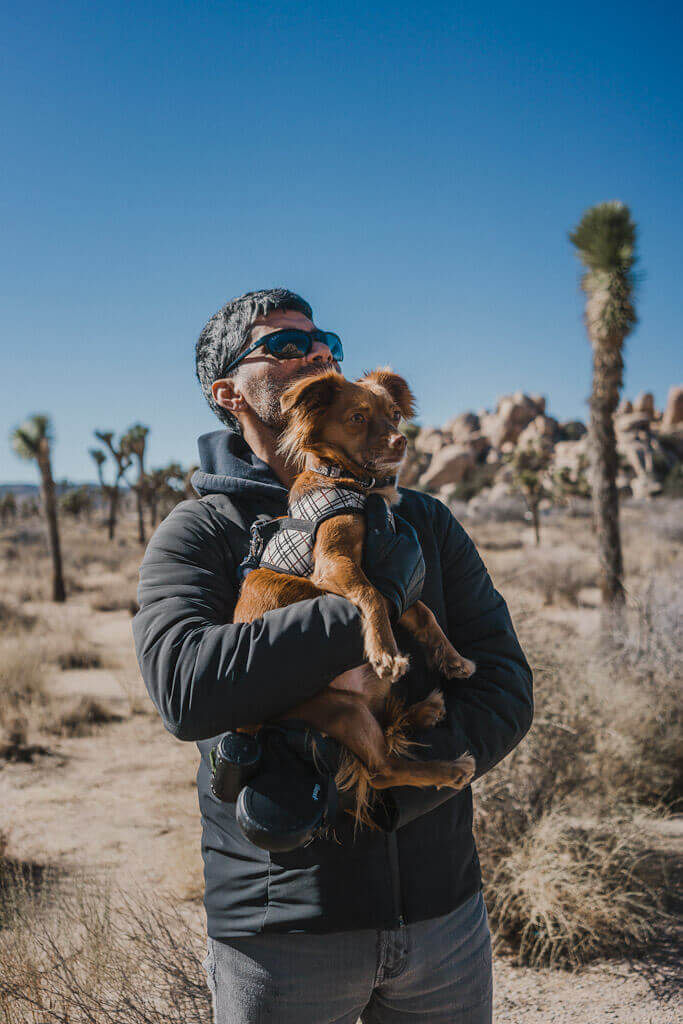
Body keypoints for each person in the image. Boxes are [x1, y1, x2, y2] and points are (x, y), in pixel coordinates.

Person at [132, 288, 534, 1024]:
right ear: (228, 392)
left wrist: (400, 778)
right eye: (282, 346)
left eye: (321, 343)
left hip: (441, 911)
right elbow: (184, 690)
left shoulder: (421, 518)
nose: (313, 353)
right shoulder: (199, 533)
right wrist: (361, 599)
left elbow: (503, 681)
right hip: (283, 928)